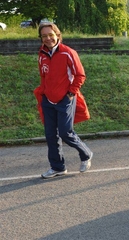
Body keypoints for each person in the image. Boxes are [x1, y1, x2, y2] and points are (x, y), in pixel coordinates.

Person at [34, 22, 93, 179]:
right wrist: (43, 92)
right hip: (48, 100)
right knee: (50, 134)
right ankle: (57, 167)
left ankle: (86, 154)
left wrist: (70, 93)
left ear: (57, 35)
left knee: (66, 132)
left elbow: (80, 75)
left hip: (65, 99)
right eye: (44, 36)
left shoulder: (68, 53)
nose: (48, 38)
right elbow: (43, 75)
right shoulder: (42, 54)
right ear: (41, 38)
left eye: (50, 35)